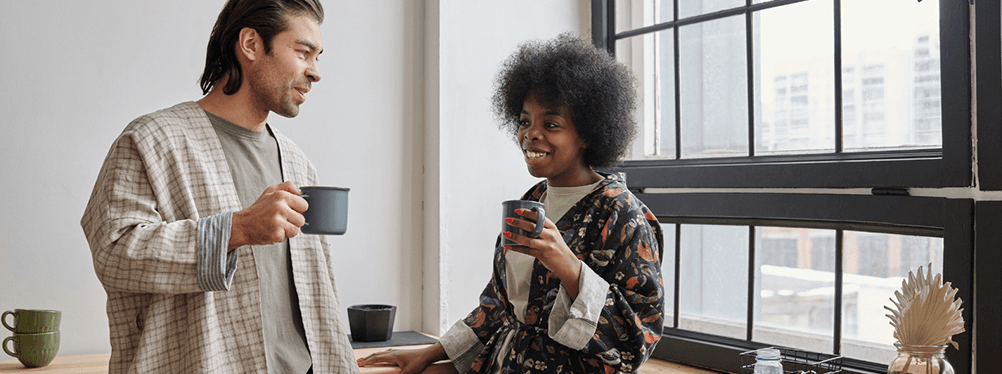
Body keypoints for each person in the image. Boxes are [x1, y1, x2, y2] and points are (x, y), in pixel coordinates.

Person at [358, 33, 664, 374]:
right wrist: (429, 354)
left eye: (551, 124)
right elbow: (498, 305)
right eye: (524, 121)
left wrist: (568, 267)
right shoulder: (533, 201)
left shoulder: (622, 214)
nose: (531, 134)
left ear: (589, 133)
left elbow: (636, 339)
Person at [80, 0, 358, 373]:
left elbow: (317, 291)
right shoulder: (152, 141)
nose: (315, 72)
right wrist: (237, 229)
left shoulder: (296, 162)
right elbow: (115, 255)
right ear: (251, 45)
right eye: (303, 52)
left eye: (317, 57)